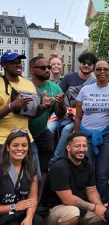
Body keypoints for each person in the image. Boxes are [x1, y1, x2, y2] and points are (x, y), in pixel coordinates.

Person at [40, 132, 106, 225]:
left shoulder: (87, 165)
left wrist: (99, 207)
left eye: (84, 145)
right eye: (77, 146)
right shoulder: (60, 167)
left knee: (105, 214)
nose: (82, 149)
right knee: (72, 212)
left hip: (76, 209)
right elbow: (68, 199)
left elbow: (91, 190)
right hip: (51, 212)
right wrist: (94, 207)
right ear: (68, 148)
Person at [74, 60, 109, 202]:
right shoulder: (85, 90)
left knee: (102, 173)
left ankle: (101, 203)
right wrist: (76, 137)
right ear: (94, 72)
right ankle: (83, 202)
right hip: (85, 135)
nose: (102, 72)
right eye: (99, 69)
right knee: (85, 169)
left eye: (105, 69)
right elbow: (78, 116)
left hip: (107, 135)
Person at [0, 51, 52, 180]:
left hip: (26, 138)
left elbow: (33, 114)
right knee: (5, 180)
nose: (18, 65)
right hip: (3, 140)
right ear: (4, 65)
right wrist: (12, 106)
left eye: (19, 62)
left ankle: (32, 201)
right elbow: (13, 107)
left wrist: (42, 107)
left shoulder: (28, 84)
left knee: (35, 178)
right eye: (14, 63)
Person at [0, 130, 44, 225]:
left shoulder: (30, 167)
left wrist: (29, 218)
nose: (20, 149)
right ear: (7, 147)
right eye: (15, 145)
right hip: (3, 214)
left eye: (24, 145)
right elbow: (18, 206)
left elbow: (32, 198)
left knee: (37, 221)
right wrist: (14, 207)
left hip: (11, 218)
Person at [48, 51, 98, 164]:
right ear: (80, 63)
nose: (86, 65)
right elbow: (59, 95)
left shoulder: (94, 82)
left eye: (89, 64)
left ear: (93, 66)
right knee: (48, 129)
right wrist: (63, 109)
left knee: (66, 130)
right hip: (62, 111)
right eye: (84, 63)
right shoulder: (69, 77)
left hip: (80, 115)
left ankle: (56, 160)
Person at [29, 57, 66, 192]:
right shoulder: (26, 85)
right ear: (32, 70)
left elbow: (60, 115)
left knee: (43, 170)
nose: (47, 70)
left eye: (48, 67)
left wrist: (61, 104)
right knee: (31, 173)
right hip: (25, 133)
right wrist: (42, 106)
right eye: (43, 68)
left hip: (43, 132)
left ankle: (38, 203)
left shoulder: (55, 87)